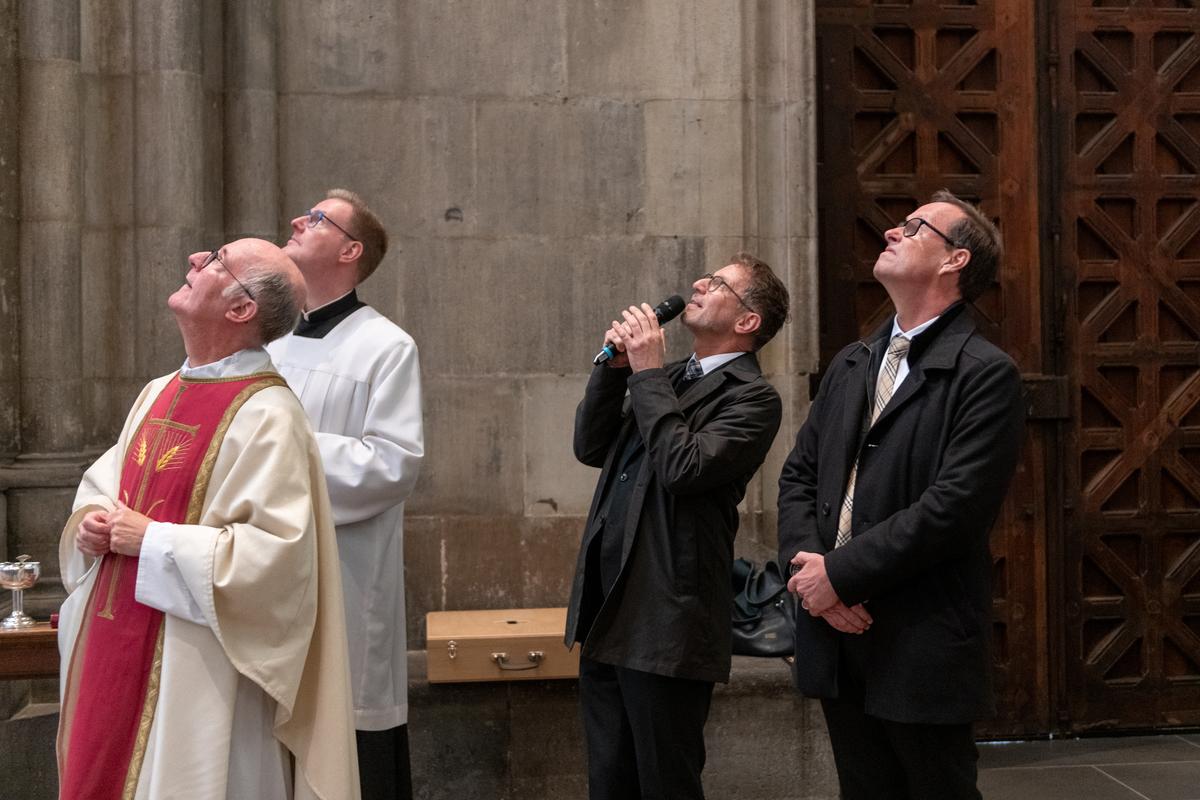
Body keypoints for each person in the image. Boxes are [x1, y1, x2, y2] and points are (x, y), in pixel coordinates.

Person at [56, 239, 359, 799]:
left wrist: (153, 540)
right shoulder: (159, 391)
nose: (196, 259)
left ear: (241, 309)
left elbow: (278, 564)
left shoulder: (270, 416)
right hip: (113, 636)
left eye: (218, 260)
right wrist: (92, 521)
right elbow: (106, 484)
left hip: (200, 669)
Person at [778, 190, 1025, 799]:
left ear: (955, 260)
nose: (891, 232)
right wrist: (812, 578)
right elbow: (799, 477)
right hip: (837, 631)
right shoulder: (853, 362)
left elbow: (954, 509)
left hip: (919, 632)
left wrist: (839, 576)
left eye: (914, 228)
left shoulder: (984, 372)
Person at [565, 253, 791, 799]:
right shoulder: (666, 379)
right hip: (609, 606)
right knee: (610, 781)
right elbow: (591, 447)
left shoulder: (753, 398)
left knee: (665, 781)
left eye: (718, 284)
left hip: (667, 618)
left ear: (748, 321)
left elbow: (683, 468)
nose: (699, 283)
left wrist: (645, 374)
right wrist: (614, 372)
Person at [266, 189, 423, 800]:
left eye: (317, 219)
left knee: (345, 740)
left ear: (351, 250)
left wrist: (281, 448)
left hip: (345, 574)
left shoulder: (385, 346)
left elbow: (392, 464)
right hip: (267, 568)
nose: (297, 221)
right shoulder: (268, 343)